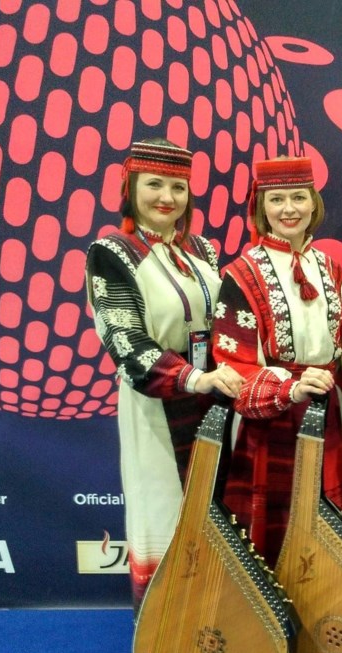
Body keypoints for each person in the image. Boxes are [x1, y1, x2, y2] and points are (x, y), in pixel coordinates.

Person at [85, 138, 243, 612]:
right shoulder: (112, 251)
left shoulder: (201, 249)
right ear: (129, 188)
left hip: (216, 402)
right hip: (156, 404)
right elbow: (126, 342)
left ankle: (217, 628)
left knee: (218, 512)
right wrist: (193, 379)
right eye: (154, 184)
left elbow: (228, 325)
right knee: (166, 514)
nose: (166, 197)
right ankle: (167, 633)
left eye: (178, 186)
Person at [212, 156, 342, 566]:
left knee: (326, 530)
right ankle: (268, 621)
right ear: (260, 206)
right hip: (270, 423)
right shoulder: (241, 274)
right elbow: (233, 362)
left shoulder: (334, 269)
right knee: (269, 530)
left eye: (299, 197)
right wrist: (289, 388)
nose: (289, 209)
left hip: (327, 414)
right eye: (277, 198)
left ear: (313, 202)